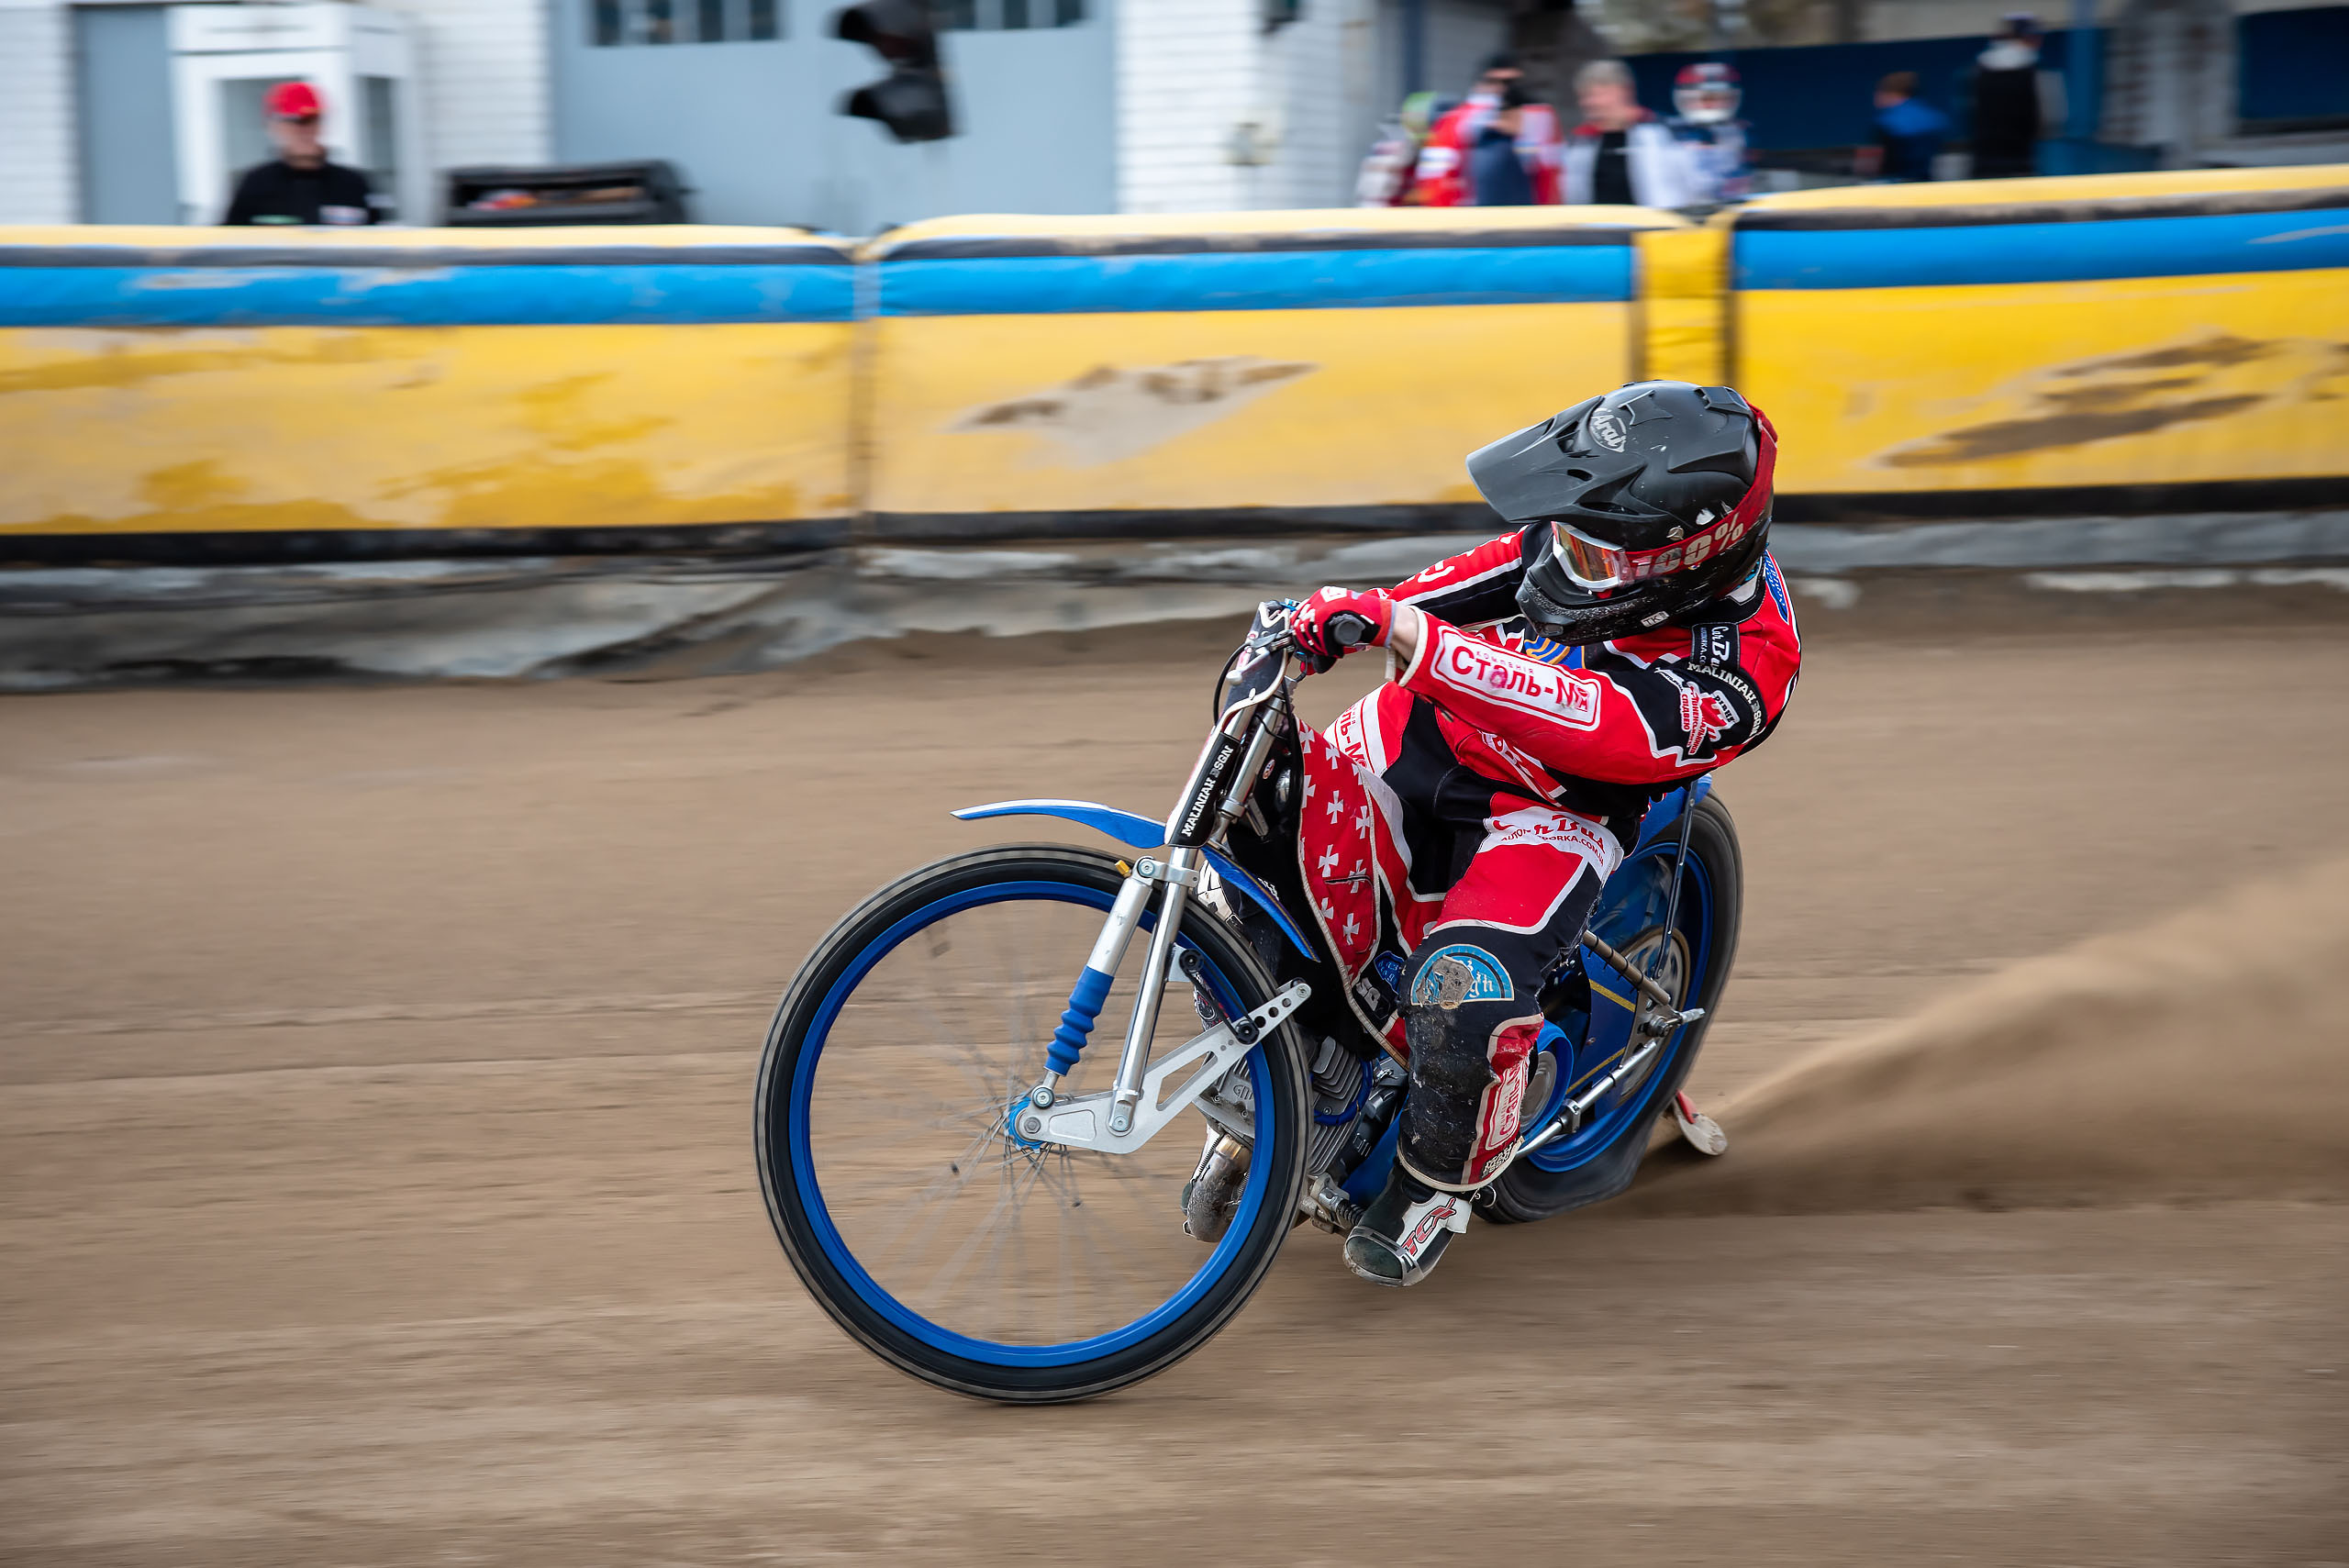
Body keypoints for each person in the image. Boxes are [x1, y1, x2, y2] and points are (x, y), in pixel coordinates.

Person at [1284, 381, 1803, 1286]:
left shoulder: (1747, 669)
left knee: (1460, 989)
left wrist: (1414, 640)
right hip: (1434, 727)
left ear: (1677, 565)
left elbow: (1591, 722)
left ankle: (1436, 1182)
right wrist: (1365, 613)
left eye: (1592, 554)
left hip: (1567, 808)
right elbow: (1474, 577)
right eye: (1567, 533)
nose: (1563, 559)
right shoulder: (1597, 538)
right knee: (1274, 829)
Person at [1408, 53, 1563, 207]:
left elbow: (1552, 177)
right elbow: (1435, 179)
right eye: (1494, 81)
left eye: (1511, 82)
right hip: (1472, 218)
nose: (1503, 89)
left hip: (1528, 217)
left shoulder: (1540, 118)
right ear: (1480, 84)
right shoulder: (1455, 121)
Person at [222, 82, 383, 226]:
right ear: (274, 126)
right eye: (294, 121)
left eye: (311, 119)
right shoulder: (256, 185)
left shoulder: (353, 185)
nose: (304, 130)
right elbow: (229, 246)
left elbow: (379, 246)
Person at [1562, 60, 1703, 207]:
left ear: (1623, 91)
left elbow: (1696, 188)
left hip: (1658, 227)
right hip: (1597, 228)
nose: (1590, 103)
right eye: (1584, 96)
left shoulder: (1664, 133)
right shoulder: (1579, 142)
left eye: (1596, 94)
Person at [1968, 13, 2066, 177]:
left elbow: (1969, 113)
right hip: (2021, 159)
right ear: (2031, 38)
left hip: (1983, 160)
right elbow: (2052, 120)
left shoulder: (1978, 68)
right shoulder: (2036, 70)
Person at [1666, 61, 1752, 204]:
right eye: (1704, 98)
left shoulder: (1741, 133)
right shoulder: (1667, 135)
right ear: (1686, 98)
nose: (1709, 105)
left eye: (1718, 98)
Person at [1856, 72, 1949, 181]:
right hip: (1926, 185)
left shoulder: (1886, 122)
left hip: (1894, 185)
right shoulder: (1936, 119)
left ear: (1890, 94)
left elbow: (1870, 165)